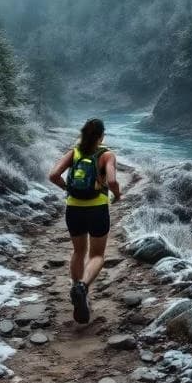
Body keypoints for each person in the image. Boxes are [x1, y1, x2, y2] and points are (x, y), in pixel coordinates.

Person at [48, 118, 121, 324]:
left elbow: (53, 175)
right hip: (97, 209)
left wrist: (67, 189)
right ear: (101, 137)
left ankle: (77, 290)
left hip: (74, 208)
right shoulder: (107, 155)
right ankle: (83, 286)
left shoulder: (75, 152)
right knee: (97, 255)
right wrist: (117, 195)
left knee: (78, 251)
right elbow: (113, 180)